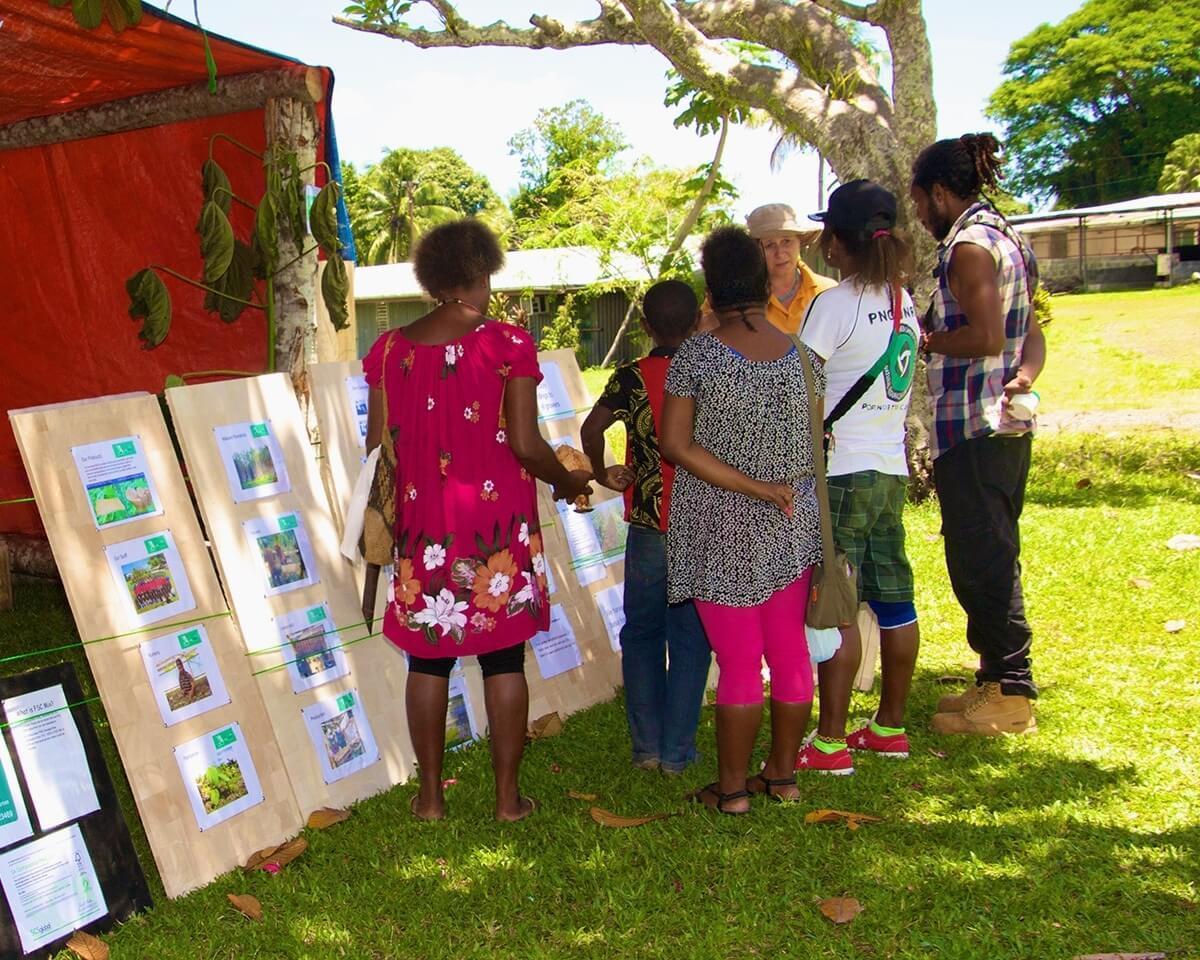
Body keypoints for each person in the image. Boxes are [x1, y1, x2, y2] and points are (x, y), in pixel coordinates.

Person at [363, 219, 592, 821]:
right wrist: (568, 480)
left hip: (421, 532)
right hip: (495, 529)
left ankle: (431, 799)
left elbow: (376, 447)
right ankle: (507, 800)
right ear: (483, 273)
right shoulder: (508, 343)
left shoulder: (387, 351)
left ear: (433, 278)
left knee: (427, 660)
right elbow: (524, 442)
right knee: (503, 659)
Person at [660, 226, 825, 814]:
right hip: (791, 523)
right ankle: (782, 776)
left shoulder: (696, 356)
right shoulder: (804, 358)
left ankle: (731, 789)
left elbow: (675, 444)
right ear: (761, 284)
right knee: (787, 654)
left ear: (711, 287)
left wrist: (751, 485)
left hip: (720, 525)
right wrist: (774, 487)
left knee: (737, 663)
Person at [910, 133, 1046, 736]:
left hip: (975, 423)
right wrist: (1026, 372)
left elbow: (987, 335)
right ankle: (992, 678)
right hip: (1006, 419)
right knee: (989, 548)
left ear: (941, 193)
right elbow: (1029, 331)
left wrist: (928, 339)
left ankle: (1012, 691)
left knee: (982, 557)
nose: (918, 214)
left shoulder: (968, 247)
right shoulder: (1008, 235)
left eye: (920, 202)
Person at [795, 180, 921, 774]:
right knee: (895, 597)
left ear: (837, 241)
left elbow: (799, 388)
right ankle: (890, 726)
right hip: (890, 469)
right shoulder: (904, 301)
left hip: (841, 472)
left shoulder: (835, 304)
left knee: (838, 600)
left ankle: (830, 742)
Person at [580, 280, 712, 776]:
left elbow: (591, 431)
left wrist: (600, 472)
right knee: (691, 636)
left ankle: (646, 749)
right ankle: (679, 753)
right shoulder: (713, 374)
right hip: (702, 523)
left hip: (649, 525)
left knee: (641, 634)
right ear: (699, 321)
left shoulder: (630, 377)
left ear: (645, 326)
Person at [745, 202, 837, 334]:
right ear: (754, 251)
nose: (780, 253)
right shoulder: (735, 298)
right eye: (769, 245)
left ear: (799, 242)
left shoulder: (828, 292)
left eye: (786, 241)